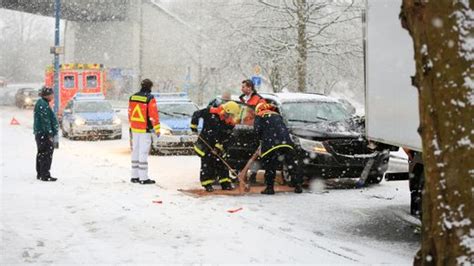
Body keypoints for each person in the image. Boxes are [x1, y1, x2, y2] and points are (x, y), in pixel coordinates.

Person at [190, 101, 241, 192]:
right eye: (231, 115)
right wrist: (194, 126)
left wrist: (218, 147)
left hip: (220, 144)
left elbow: (225, 137)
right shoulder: (210, 112)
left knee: (221, 163)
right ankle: (207, 184)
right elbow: (196, 114)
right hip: (206, 142)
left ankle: (225, 183)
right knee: (207, 163)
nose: (232, 118)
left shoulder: (230, 124)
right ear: (226, 112)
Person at [254, 102, 303, 194]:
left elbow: (257, 131)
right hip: (286, 142)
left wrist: (260, 140)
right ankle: (298, 186)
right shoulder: (277, 115)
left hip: (271, 144)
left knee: (270, 166)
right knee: (291, 164)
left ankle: (269, 188)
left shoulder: (260, 116)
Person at [128, 79, 160, 185]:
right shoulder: (149, 98)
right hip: (144, 129)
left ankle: (134, 176)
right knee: (143, 152)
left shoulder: (133, 97)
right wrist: (157, 129)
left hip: (134, 128)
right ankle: (143, 177)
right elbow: (153, 115)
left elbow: (130, 113)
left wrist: (132, 124)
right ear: (150, 87)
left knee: (135, 151)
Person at [33, 86, 59, 182]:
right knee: (46, 154)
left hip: (41, 133)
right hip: (43, 133)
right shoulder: (43, 104)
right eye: (51, 94)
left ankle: (40, 173)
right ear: (47, 95)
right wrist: (50, 133)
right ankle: (45, 174)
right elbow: (45, 120)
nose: (53, 96)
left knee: (41, 153)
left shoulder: (43, 103)